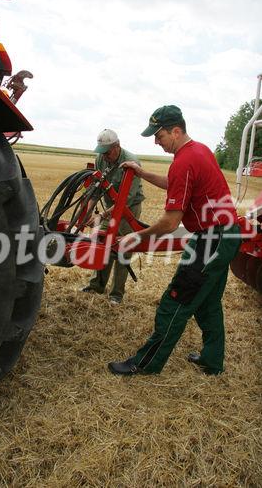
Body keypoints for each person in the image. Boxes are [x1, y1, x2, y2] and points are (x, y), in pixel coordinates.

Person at [108, 105, 242, 375]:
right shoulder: (199, 150)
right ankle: (211, 361)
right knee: (207, 303)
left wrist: (134, 237)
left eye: (159, 136)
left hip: (212, 240)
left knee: (176, 301)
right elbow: (176, 184)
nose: (156, 142)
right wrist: (143, 172)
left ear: (176, 130)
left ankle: (144, 364)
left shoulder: (184, 160)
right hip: (225, 234)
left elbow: (169, 224)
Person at [81, 128, 145, 305]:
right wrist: (87, 212)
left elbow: (127, 199)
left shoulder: (132, 163)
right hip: (110, 206)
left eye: (107, 152)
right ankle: (97, 285)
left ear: (117, 146)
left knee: (122, 246)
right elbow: (97, 188)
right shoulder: (100, 158)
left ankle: (117, 293)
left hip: (129, 209)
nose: (105, 156)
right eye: (102, 152)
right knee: (103, 242)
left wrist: (101, 214)